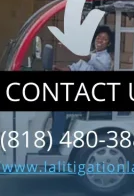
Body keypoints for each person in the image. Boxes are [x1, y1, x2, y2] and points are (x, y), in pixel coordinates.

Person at [42, 26, 114, 154]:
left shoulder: (105, 59)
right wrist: (56, 68)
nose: (100, 40)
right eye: (99, 37)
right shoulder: (92, 54)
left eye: (104, 39)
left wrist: (70, 49)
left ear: (108, 43)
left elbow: (90, 60)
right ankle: (58, 134)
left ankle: (55, 144)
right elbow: (73, 67)